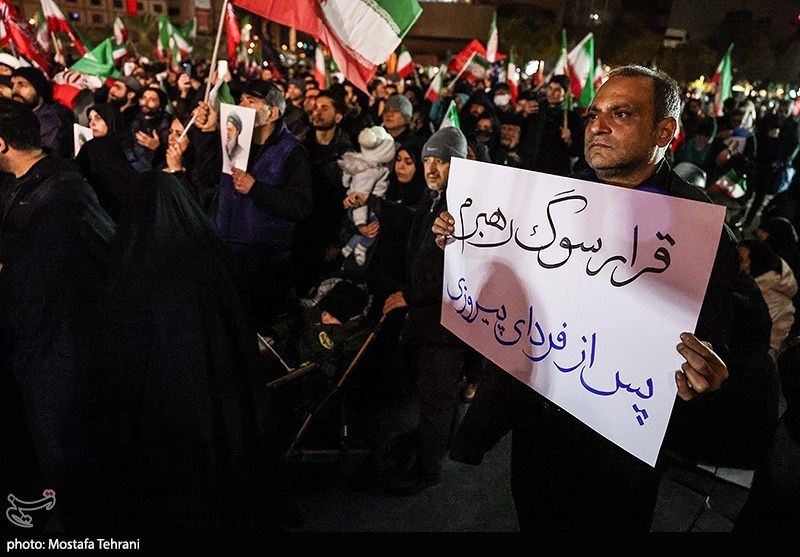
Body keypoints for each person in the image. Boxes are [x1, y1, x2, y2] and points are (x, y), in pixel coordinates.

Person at [433, 65, 773, 531]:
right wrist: (463, 239)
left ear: (665, 131)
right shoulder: (552, 197)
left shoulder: (700, 233)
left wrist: (708, 381)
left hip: (620, 454)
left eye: (621, 113)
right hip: (539, 434)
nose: (598, 125)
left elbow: (716, 353)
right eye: (594, 114)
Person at [0, 98, 116, 529]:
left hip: (56, 349)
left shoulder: (64, 191)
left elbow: (74, 266)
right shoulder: (18, 185)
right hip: (24, 345)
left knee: (67, 457)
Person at [379, 126, 484, 496]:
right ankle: (439, 443)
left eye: (442, 161)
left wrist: (410, 295)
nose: (432, 168)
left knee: (437, 395)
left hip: (446, 319)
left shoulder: (463, 207)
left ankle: (428, 469)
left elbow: (449, 269)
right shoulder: (433, 199)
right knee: (439, 393)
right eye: (428, 160)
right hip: (431, 315)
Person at [196, 79, 312, 334]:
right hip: (226, 254)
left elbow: (300, 207)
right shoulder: (234, 136)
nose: (242, 105)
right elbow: (206, 177)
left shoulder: (292, 152)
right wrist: (208, 133)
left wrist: (257, 189)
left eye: (251, 101)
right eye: (241, 100)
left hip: (264, 264)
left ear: (272, 112)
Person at [339, 125, 395, 267]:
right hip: (362, 212)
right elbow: (359, 200)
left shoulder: (373, 167)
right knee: (372, 231)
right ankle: (360, 249)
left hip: (367, 209)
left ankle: (349, 248)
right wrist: (361, 224)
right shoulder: (369, 173)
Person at [10, 67, 74, 159]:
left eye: (22, 85)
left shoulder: (53, 121)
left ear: (38, 90)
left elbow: (47, 160)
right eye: (12, 85)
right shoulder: (16, 116)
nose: (14, 90)